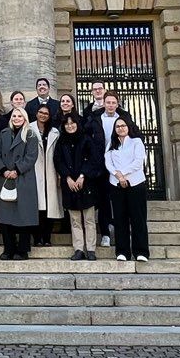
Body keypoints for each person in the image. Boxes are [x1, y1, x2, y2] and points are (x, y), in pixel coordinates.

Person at [89, 89, 141, 247]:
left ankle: (126, 232)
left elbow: (136, 135)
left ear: (117, 103)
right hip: (102, 164)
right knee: (104, 200)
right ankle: (105, 233)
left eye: (113, 102)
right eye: (108, 102)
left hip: (122, 166)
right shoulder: (95, 118)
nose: (110, 105)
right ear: (103, 103)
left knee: (125, 201)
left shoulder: (125, 117)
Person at [0, 106, 40, 259]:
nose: (17, 118)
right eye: (14, 116)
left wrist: (17, 170)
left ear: (25, 118)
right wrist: (3, 170)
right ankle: (8, 249)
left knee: (24, 216)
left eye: (20, 116)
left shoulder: (31, 134)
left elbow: (31, 156)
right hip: (6, 178)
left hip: (23, 179)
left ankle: (23, 250)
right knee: (6, 217)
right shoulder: (4, 133)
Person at [55, 110, 102, 260]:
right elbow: (58, 161)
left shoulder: (86, 139)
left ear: (77, 123)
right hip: (69, 185)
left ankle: (91, 249)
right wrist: (67, 177)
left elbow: (94, 160)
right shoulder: (61, 141)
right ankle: (79, 249)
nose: (70, 126)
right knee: (75, 220)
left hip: (86, 184)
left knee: (89, 219)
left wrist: (83, 176)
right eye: (67, 124)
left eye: (72, 123)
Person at [105, 115, 151, 264]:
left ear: (128, 126)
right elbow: (108, 162)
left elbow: (138, 161)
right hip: (116, 184)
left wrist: (123, 174)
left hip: (135, 183)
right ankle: (122, 251)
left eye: (123, 126)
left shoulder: (136, 141)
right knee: (120, 219)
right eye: (118, 127)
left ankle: (141, 251)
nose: (121, 128)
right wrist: (117, 175)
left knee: (138, 218)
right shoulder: (112, 144)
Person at [32, 104, 62, 246]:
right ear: (36, 113)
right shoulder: (29, 129)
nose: (43, 115)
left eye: (46, 113)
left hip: (50, 171)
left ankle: (47, 238)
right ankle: (37, 238)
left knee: (50, 207)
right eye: (41, 112)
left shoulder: (55, 132)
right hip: (35, 171)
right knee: (38, 207)